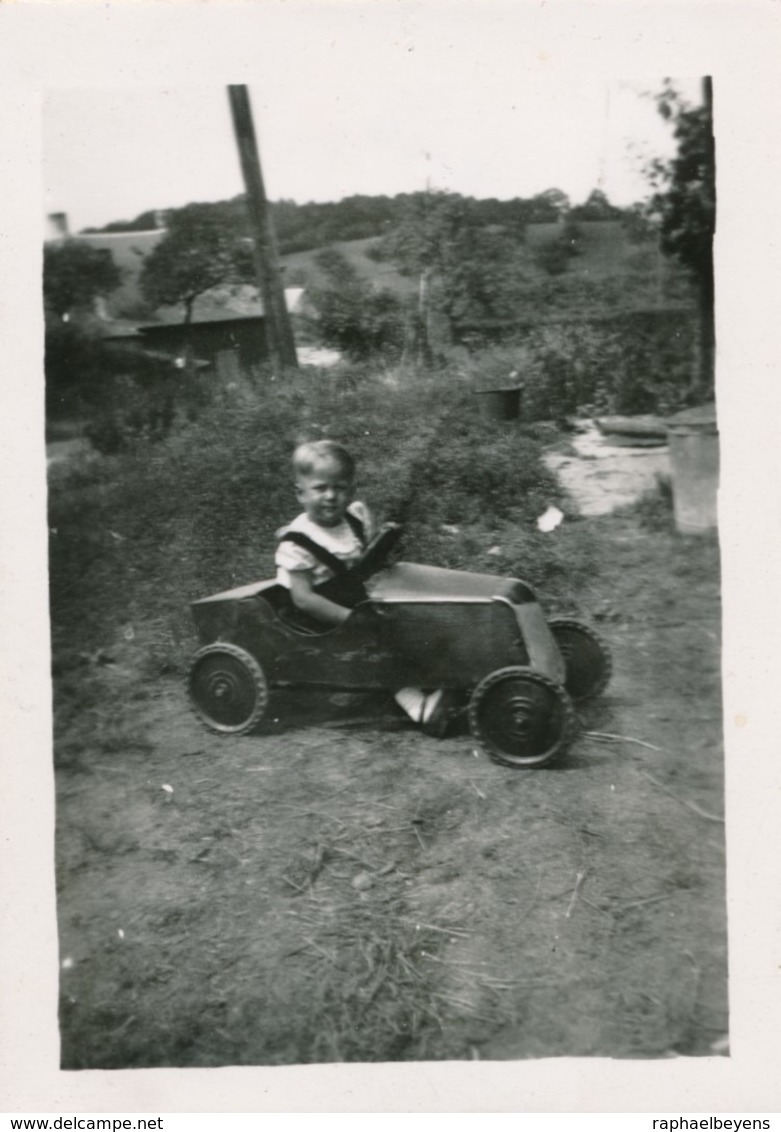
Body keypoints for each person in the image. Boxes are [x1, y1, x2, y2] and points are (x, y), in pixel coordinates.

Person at [275, 439, 459, 735]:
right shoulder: (297, 544)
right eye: (321, 488)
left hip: (350, 596)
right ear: (301, 493)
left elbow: (361, 554)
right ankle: (417, 706)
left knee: (406, 617)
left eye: (340, 487)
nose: (331, 496)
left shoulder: (351, 517)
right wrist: (351, 621)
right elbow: (303, 599)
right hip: (318, 614)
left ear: (350, 490)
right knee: (373, 639)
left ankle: (438, 674)